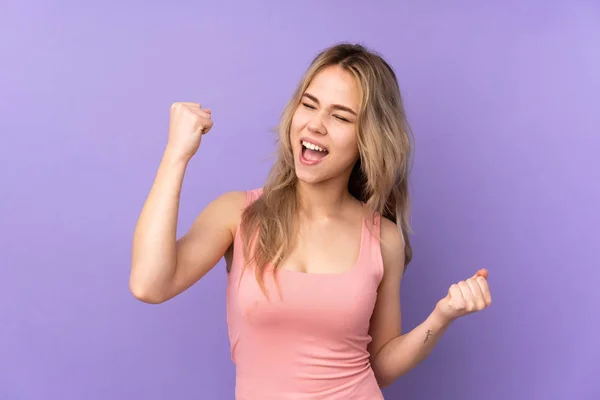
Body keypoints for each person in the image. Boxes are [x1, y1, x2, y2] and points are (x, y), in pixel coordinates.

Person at [129, 43, 492, 399]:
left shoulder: (383, 238)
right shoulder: (239, 215)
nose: (316, 125)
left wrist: (441, 317)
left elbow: (380, 368)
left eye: (341, 116)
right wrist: (176, 155)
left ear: (369, 138)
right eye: (309, 104)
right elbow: (149, 285)